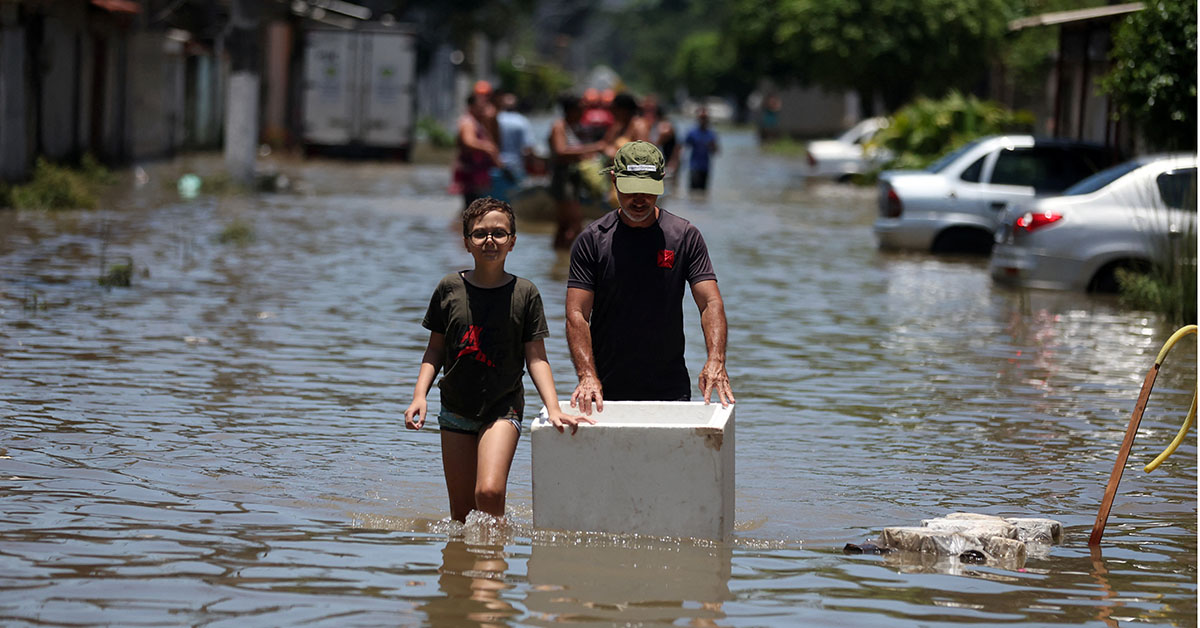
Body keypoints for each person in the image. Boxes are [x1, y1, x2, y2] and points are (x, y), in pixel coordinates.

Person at [405, 198, 590, 523]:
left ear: (513, 241)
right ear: (466, 243)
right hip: (456, 408)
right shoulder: (449, 289)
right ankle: (464, 568)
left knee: (488, 492)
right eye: (479, 234)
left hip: (503, 407)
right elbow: (435, 350)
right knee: (460, 515)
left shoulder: (525, 293)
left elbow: (536, 358)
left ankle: (491, 564)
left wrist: (554, 407)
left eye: (499, 233)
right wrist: (420, 396)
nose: (489, 240)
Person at [565, 141, 735, 412]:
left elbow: (710, 303)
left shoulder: (684, 236)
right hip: (605, 388)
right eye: (631, 190)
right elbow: (577, 314)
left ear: (662, 181)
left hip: (670, 388)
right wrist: (587, 376)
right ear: (614, 180)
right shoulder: (593, 240)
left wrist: (716, 360)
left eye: (649, 190)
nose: (640, 199)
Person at [549, 94, 606, 249]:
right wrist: (595, 147)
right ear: (571, 110)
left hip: (571, 179)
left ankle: (557, 262)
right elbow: (560, 151)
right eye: (581, 109)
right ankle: (567, 259)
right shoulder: (559, 126)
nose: (583, 113)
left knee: (563, 224)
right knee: (575, 224)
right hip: (563, 179)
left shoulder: (572, 127)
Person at [453, 94, 500, 210]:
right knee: (471, 207)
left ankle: (462, 226)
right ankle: (461, 227)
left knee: (474, 206)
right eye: (481, 106)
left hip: (477, 172)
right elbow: (468, 141)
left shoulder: (479, 122)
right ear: (471, 107)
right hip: (470, 172)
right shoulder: (468, 122)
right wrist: (487, 147)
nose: (484, 108)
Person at [491, 92, 533, 203]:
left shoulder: (494, 119)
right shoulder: (522, 121)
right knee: (512, 207)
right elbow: (528, 149)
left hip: (494, 167)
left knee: (489, 205)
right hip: (516, 167)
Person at [684, 108, 719, 194]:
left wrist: (713, 145)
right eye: (701, 118)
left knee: (703, 192)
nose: (703, 120)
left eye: (705, 118)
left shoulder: (711, 134)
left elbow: (716, 151)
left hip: (705, 167)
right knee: (693, 191)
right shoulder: (692, 133)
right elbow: (683, 147)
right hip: (694, 166)